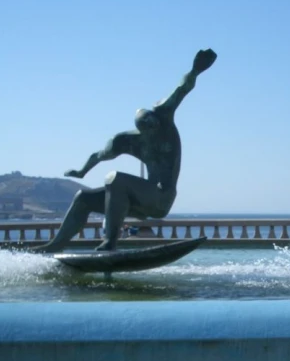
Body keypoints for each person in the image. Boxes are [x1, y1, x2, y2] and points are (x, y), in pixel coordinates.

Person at [34, 48, 217, 253]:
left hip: (160, 198)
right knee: (83, 198)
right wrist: (82, 172)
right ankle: (55, 246)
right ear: (141, 130)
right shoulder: (125, 141)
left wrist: (195, 71)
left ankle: (110, 243)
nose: (154, 131)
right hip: (137, 202)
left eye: (154, 125)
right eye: (148, 129)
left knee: (116, 179)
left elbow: (182, 88)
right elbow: (99, 155)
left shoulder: (164, 117)